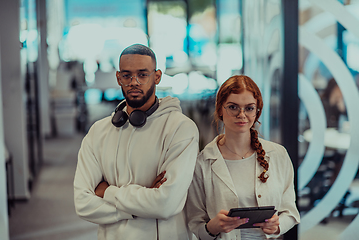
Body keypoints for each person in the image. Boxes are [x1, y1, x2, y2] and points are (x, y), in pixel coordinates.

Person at [74, 44, 199, 240]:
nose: (134, 82)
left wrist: (108, 192)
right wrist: (143, 203)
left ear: (157, 76)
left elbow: (166, 204)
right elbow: (83, 203)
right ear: (118, 77)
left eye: (143, 75)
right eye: (127, 75)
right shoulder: (99, 132)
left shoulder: (180, 128)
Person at [186, 75, 300, 239]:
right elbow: (195, 225)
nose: (241, 114)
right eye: (233, 107)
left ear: (257, 111)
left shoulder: (278, 155)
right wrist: (213, 226)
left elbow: (290, 212)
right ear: (220, 109)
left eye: (249, 108)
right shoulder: (202, 162)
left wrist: (276, 226)